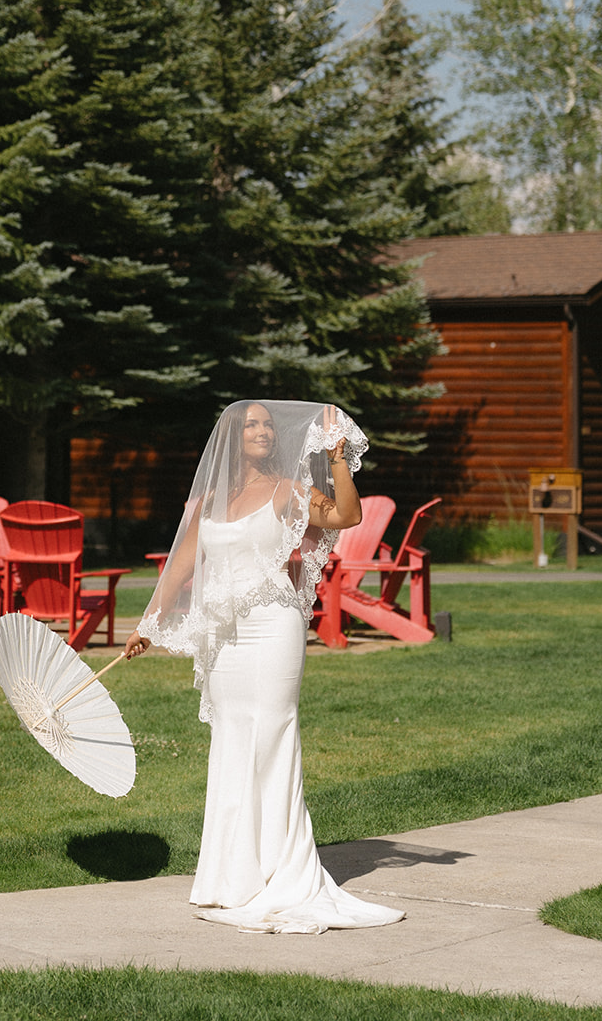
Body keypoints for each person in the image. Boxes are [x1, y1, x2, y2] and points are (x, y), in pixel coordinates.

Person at [125, 399, 405, 935]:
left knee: (273, 735)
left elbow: (346, 516)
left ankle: (285, 872)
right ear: (231, 438)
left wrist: (338, 458)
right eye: (251, 424)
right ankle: (231, 878)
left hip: (273, 625)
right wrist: (148, 624)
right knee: (232, 738)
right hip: (223, 635)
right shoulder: (209, 501)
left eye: (268, 424)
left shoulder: (287, 491)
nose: (262, 431)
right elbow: (179, 567)